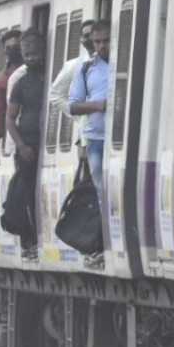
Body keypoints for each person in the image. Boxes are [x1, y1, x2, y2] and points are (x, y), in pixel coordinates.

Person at [68, 19, 111, 271]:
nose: (102, 46)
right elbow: (73, 104)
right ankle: (101, 246)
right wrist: (96, 105)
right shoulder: (85, 70)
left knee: (112, 192)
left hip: (118, 139)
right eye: (98, 42)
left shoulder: (122, 65)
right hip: (95, 139)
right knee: (99, 192)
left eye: (106, 41)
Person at [7, 31, 47, 261]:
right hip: (28, 145)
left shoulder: (51, 77)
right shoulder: (21, 83)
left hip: (45, 142)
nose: (31, 59)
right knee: (25, 194)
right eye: (27, 55)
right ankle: (29, 241)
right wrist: (21, 146)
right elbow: (10, 119)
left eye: (35, 54)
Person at [50, 20, 95, 158]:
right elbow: (55, 95)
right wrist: (81, 115)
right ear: (81, 40)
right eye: (86, 36)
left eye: (93, 34)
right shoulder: (74, 66)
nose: (90, 39)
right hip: (87, 137)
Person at [0, 29, 23, 167]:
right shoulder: (1, 80)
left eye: (15, 47)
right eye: (7, 48)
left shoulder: (33, 71)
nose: (12, 50)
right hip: (16, 137)